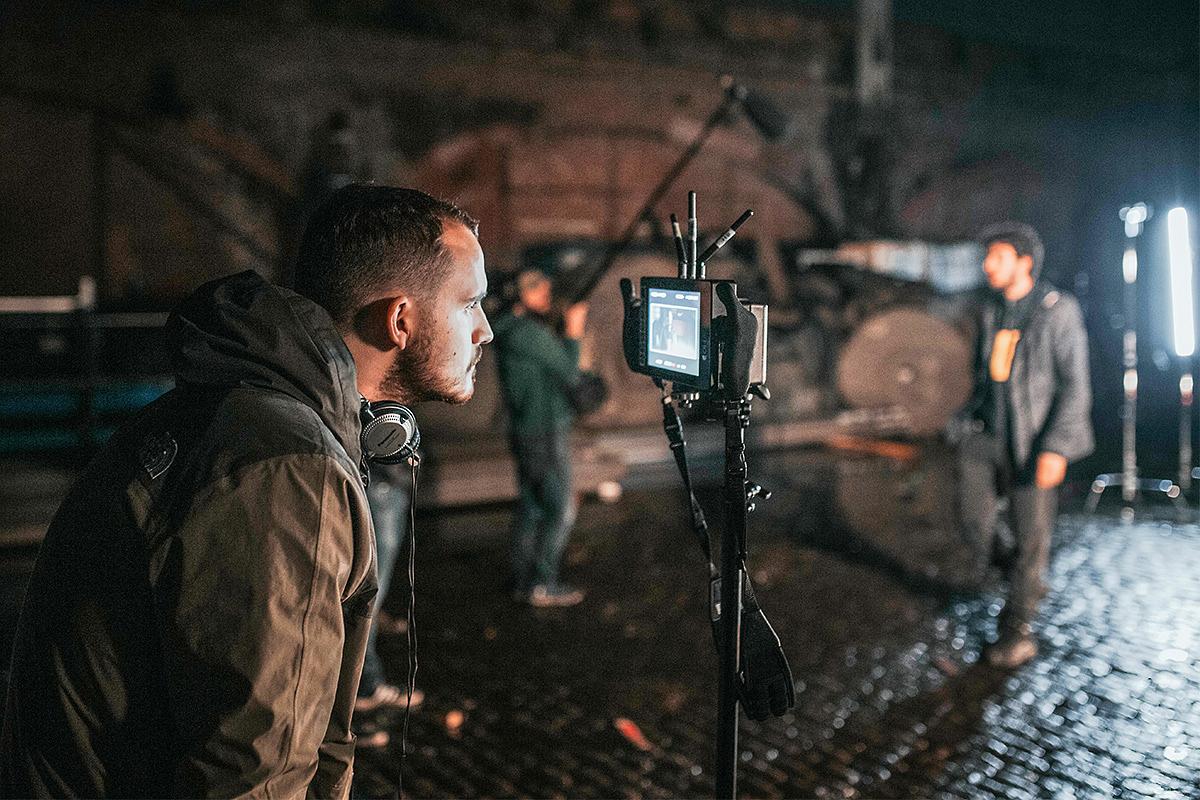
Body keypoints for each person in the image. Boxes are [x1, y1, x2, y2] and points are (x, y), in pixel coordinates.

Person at [0, 184, 493, 797]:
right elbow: (256, 775)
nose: (485, 332)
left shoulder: (240, 413)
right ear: (399, 320)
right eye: (470, 304)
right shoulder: (286, 470)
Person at [957, 222, 1093, 669]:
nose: (987, 266)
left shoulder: (1057, 310)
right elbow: (985, 375)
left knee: (1031, 536)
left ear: (1024, 262)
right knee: (975, 523)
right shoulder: (991, 309)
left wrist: (1056, 447)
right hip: (987, 436)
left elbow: (1075, 385)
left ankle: (1017, 632)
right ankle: (1025, 577)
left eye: (997, 257)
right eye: (988, 257)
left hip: (1030, 441)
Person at [494, 270, 588, 608]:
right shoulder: (528, 334)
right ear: (522, 295)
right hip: (544, 431)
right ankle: (542, 583)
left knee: (532, 507)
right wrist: (574, 331)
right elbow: (569, 369)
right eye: (539, 289)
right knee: (562, 509)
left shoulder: (507, 328)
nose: (547, 293)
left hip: (525, 430)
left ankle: (522, 579)